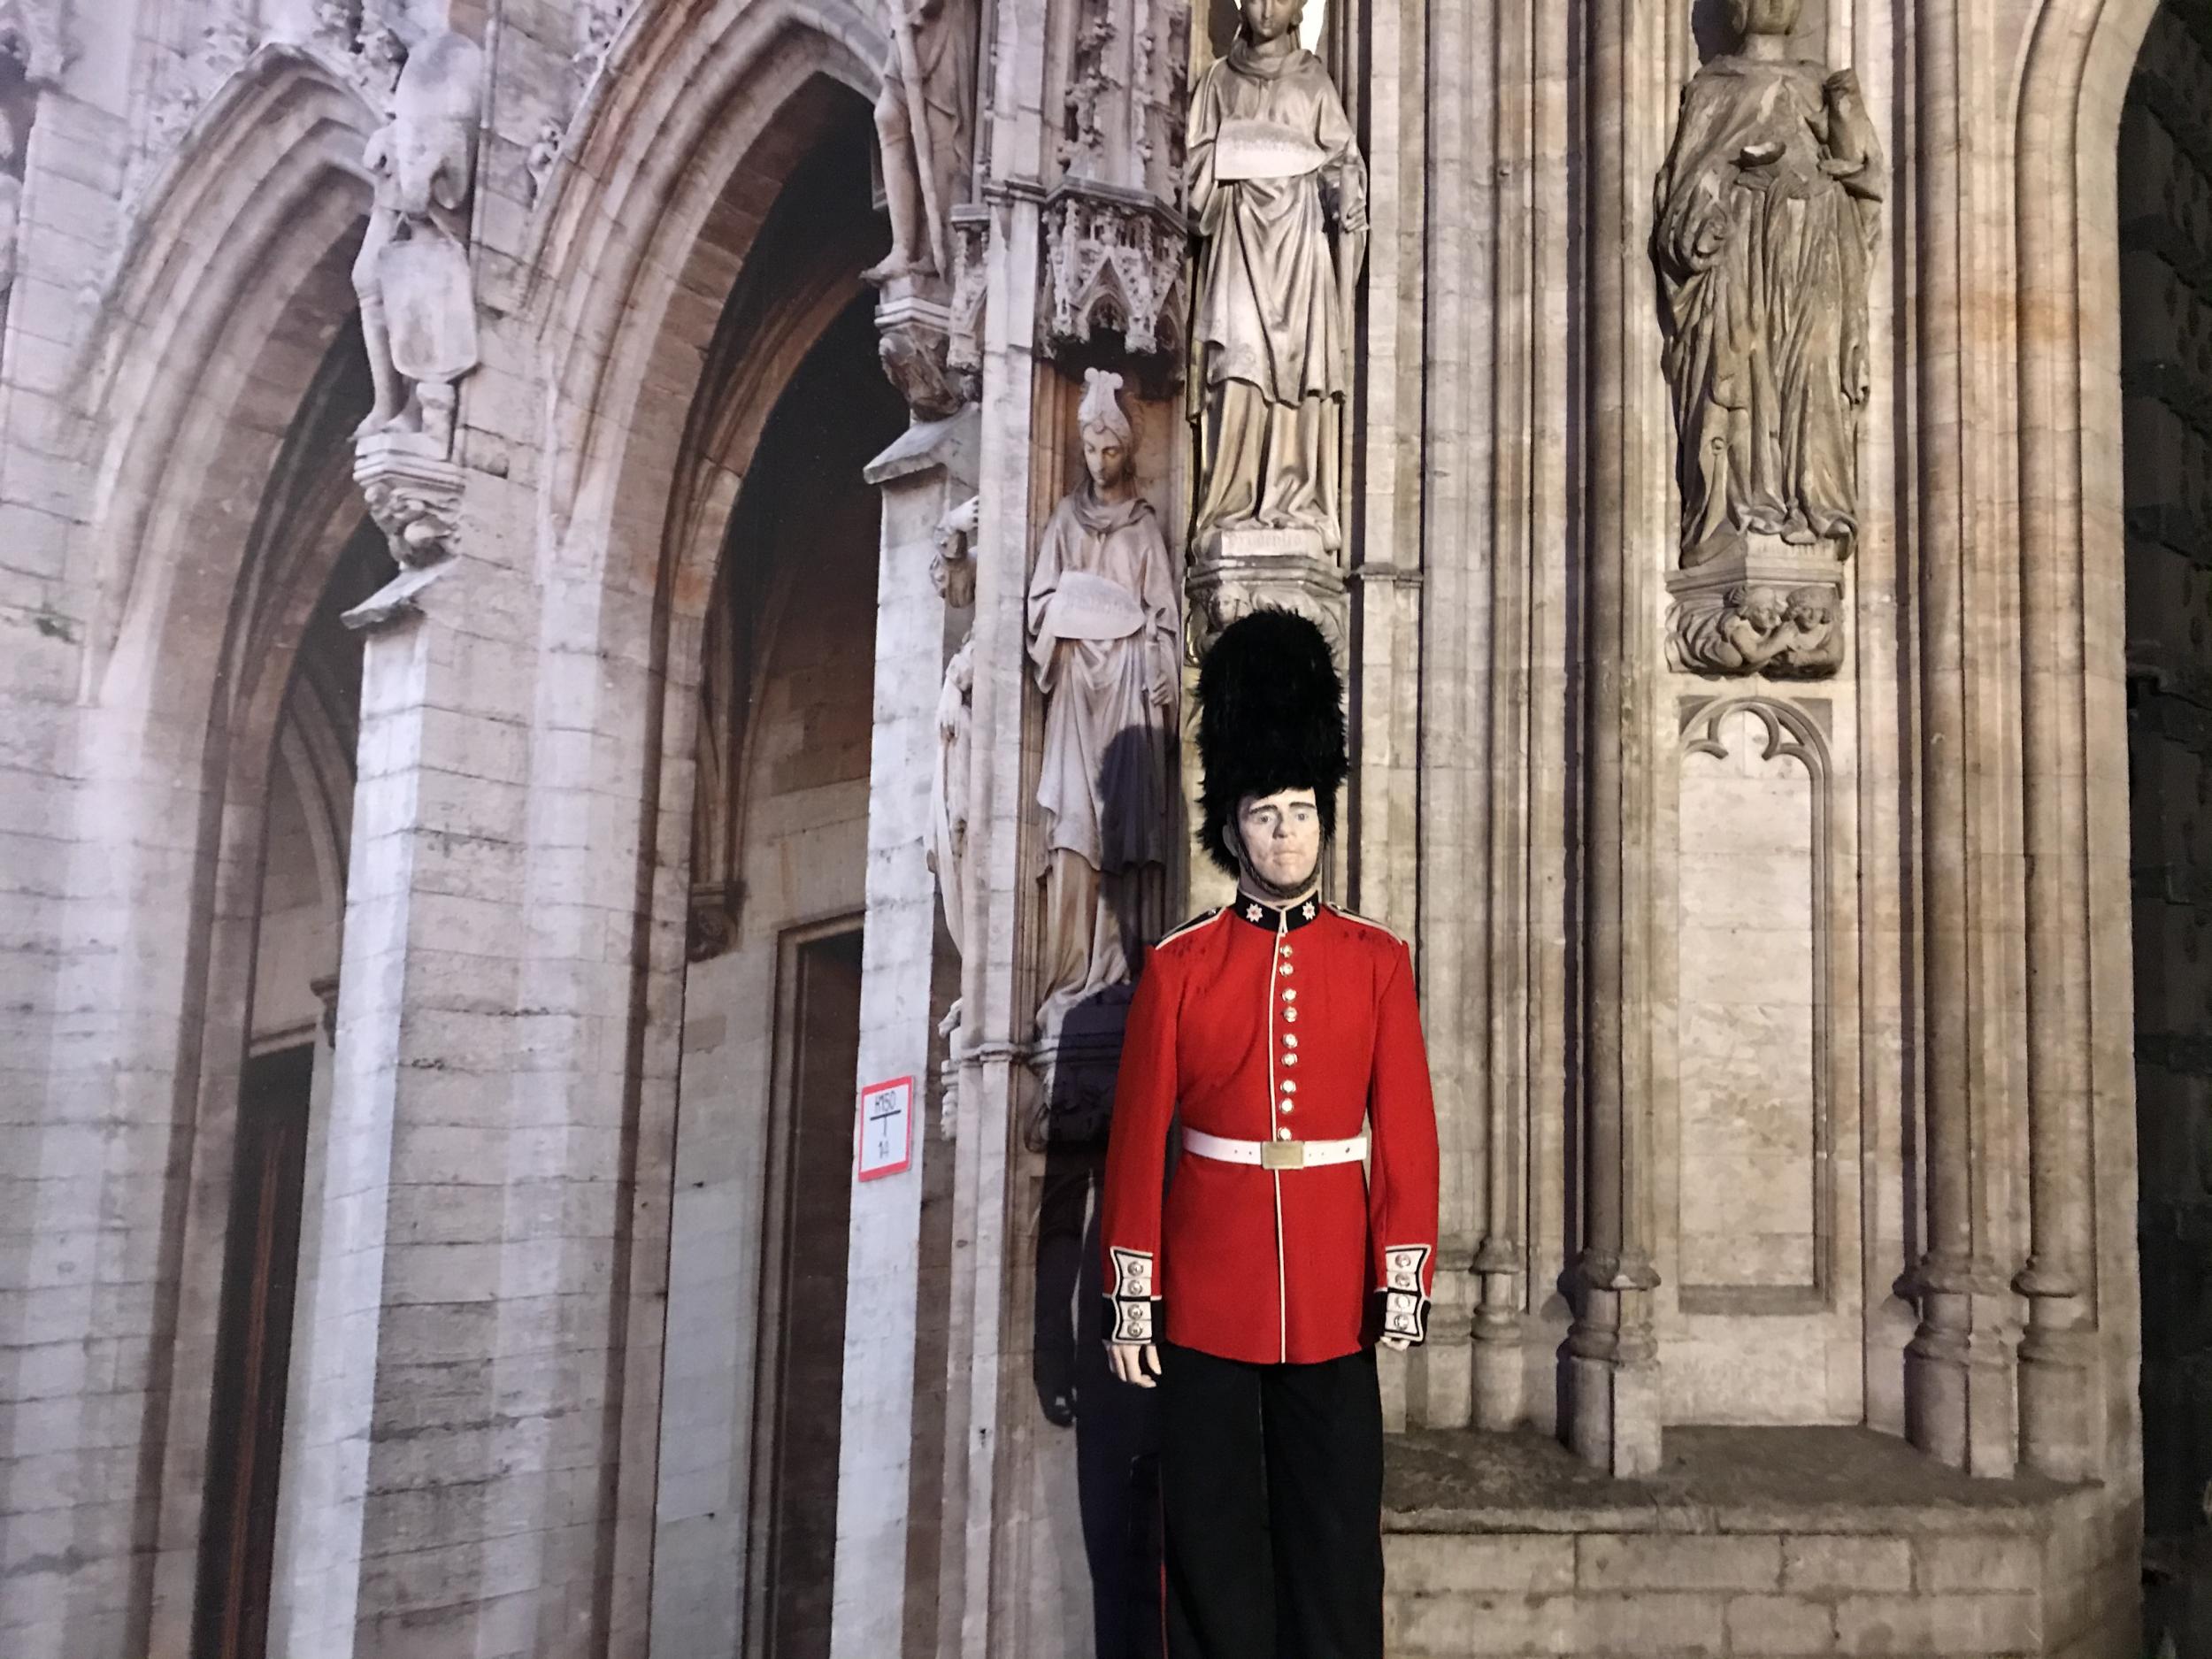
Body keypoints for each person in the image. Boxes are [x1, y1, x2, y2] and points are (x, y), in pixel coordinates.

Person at [1098, 608, 1440, 1659]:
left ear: (1323, 821)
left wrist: (1402, 1274)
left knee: (1336, 1540)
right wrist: (1131, 1298)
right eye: (1264, 814)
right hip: (1204, 1296)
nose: (1285, 832)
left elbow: (1409, 1133)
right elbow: (1138, 1143)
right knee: (1207, 1541)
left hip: (1336, 1292)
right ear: (1232, 830)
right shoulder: (1179, 967)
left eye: (1300, 811)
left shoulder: (1376, 959)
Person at [1026, 369, 1180, 1038]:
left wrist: (1150, 654)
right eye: (1089, 448)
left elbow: (1164, 620)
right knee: (1072, 834)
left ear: (1126, 452)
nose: (1098, 460)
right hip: (1074, 701)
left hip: (1125, 692)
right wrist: (1064, 623)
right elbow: (1040, 606)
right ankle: (1068, 974)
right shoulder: (1064, 520)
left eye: (1109, 449)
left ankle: (1117, 971)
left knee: (1123, 836)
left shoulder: (1144, 529)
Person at [1185, 0, 1366, 555]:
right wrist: (1223, 160)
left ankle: (1294, 503)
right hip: (1239, 251)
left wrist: (1346, 195)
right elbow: (1192, 179)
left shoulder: (1313, 83)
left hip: (1298, 256)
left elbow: (1343, 164)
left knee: (1298, 382)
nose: (1266, 9)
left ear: (1300, 9)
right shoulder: (1218, 82)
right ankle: (1229, 507)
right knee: (1237, 370)